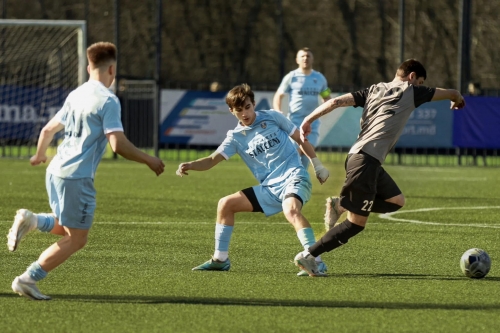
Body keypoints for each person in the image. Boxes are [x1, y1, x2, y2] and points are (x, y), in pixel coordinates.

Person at [6, 41, 165, 300]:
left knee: (67, 227)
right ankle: (27, 279)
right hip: (76, 177)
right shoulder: (108, 100)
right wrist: (149, 159)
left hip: (55, 170)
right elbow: (117, 144)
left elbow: (47, 130)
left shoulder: (76, 94)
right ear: (112, 70)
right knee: (77, 239)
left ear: (88, 66)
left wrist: (39, 154)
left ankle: (32, 220)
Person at [293, 59, 466, 276]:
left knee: (396, 201)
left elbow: (336, 102)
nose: (420, 86)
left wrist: (308, 119)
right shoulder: (411, 90)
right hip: (366, 161)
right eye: (419, 82)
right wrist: (457, 98)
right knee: (355, 224)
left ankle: (342, 205)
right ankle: (309, 256)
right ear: (412, 77)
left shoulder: (373, 90)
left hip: (362, 157)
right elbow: (452, 92)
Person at [176, 83, 329, 276]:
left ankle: (316, 261)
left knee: (290, 210)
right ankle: (220, 259)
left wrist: (318, 165)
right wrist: (190, 165)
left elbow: (301, 139)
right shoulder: (235, 137)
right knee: (225, 204)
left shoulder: (273, 117)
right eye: (239, 110)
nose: (245, 113)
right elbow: (212, 160)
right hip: (269, 188)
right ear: (232, 111)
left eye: (247, 107)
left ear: (253, 103)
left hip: (294, 176)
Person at [273, 47, 331, 169]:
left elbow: (327, 97)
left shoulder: (320, 78)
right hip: (295, 122)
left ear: (312, 59)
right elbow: (279, 95)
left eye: (308, 56)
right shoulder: (291, 77)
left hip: (313, 123)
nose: (305, 58)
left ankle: (298, 183)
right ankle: (291, 180)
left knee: (307, 156)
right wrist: (278, 110)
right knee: (297, 152)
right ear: (297, 60)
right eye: (302, 56)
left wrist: (326, 105)